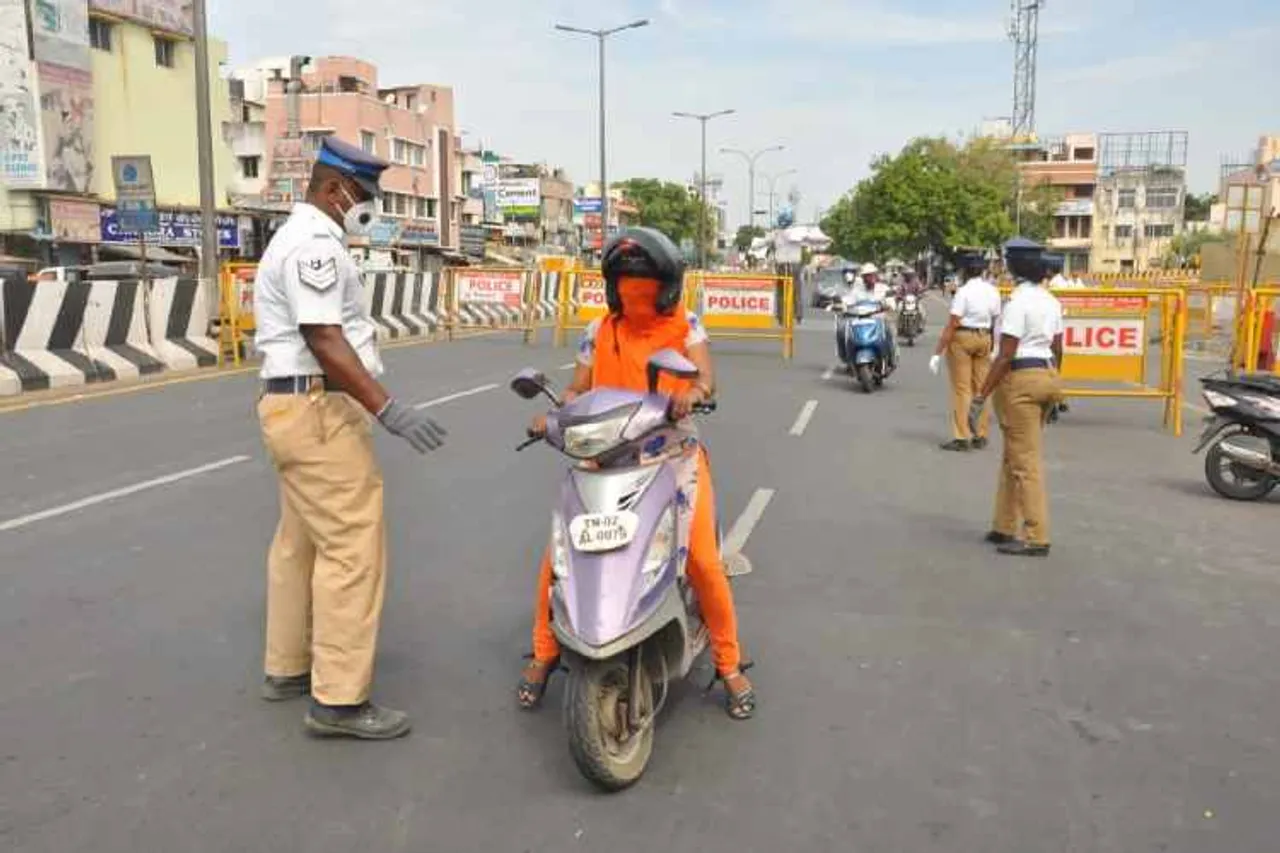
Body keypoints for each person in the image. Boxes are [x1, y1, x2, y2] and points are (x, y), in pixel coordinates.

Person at [517, 227, 756, 721]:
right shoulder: (598, 330)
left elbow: (706, 377)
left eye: (643, 285)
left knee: (704, 563)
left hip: (672, 456)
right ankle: (544, 652)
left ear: (666, 286)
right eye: (626, 284)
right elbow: (577, 389)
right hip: (605, 458)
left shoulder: (685, 326)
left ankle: (729, 664)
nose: (635, 293)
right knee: (557, 562)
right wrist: (555, 414)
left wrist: (695, 392)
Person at [253, 137, 447, 740]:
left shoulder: (296, 238)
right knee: (352, 550)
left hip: (291, 406)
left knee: (299, 543)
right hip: (317, 410)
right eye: (365, 195)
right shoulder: (316, 248)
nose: (370, 207)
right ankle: (337, 700)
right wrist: (386, 409)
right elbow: (325, 338)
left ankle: (288, 666)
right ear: (335, 190)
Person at [968, 244, 1064, 558]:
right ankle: (1004, 524)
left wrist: (980, 395)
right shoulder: (1051, 301)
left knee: (1025, 462)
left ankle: (1037, 536)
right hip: (1046, 374)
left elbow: (1006, 354)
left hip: (1020, 380)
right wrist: (1055, 387)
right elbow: (1058, 347)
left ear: (1015, 269)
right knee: (1014, 455)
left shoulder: (1017, 303)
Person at [930, 253, 1002, 451]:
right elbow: (997, 321)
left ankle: (962, 437)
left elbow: (953, 324)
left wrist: (938, 352)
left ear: (964, 271)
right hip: (984, 338)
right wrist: (995, 345)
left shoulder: (964, 292)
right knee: (982, 388)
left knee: (962, 389)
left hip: (963, 338)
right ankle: (981, 434)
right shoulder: (992, 291)